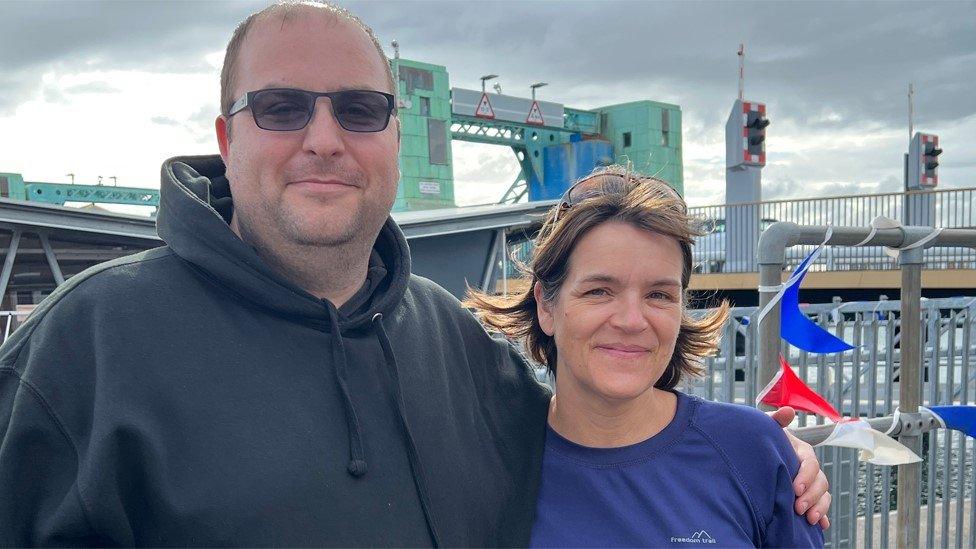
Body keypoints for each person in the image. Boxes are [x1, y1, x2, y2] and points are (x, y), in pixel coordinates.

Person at [0, 1, 828, 545]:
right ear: (227, 137)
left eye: (359, 110)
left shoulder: (454, 343)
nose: (324, 138)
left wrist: (768, 452)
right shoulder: (83, 351)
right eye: (283, 107)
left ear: (395, 139)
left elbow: (599, 421)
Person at [468, 168, 825, 547]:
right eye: (599, 291)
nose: (632, 321)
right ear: (546, 306)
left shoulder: (754, 452)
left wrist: (775, 447)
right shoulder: (488, 467)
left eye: (659, 295)